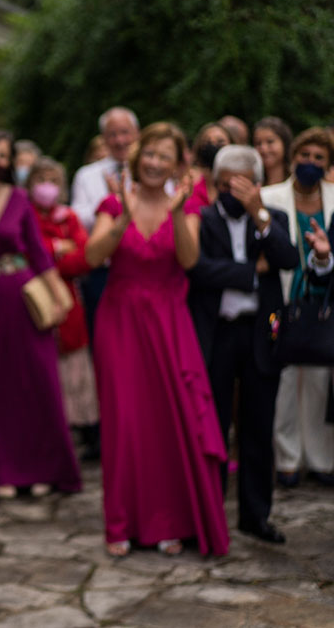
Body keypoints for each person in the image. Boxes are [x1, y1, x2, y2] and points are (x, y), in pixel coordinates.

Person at [86, 122, 229, 557]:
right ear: (137, 156)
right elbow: (92, 257)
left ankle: (168, 522)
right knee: (125, 421)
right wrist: (125, 219)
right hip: (122, 321)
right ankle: (122, 524)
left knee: (169, 420)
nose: (153, 162)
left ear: (178, 163)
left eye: (164, 156)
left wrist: (178, 209)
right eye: (149, 153)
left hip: (169, 321)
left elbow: (188, 261)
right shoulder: (113, 202)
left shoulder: (188, 207)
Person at [188, 145, 298, 544]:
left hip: (259, 332)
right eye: (224, 186)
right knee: (214, 428)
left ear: (255, 184)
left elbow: (288, 258)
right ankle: (210, 515)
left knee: (257, 427)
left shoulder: (272, 217)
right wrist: (252, 272)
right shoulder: (199, 219)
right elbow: (199, 269)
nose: (231, 194)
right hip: (217, 333)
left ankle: (256, 515)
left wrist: (259, 214)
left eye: (240, 186)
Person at [0, 130, 80, 499]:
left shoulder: (19, 197)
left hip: (23, 298)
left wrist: (59, 296)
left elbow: (38, 251)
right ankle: (2, 471)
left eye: (3, 155)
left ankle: (44, 469)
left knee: (38, 383)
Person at [260, 127, 334, 487]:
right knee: (284, 380)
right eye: (305, 156)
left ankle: (321, 459)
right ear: (293, 158)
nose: (310, 163)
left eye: (319, 158)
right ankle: (287, 459)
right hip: (281, 302)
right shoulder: (268, 196)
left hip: (324, 302)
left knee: (320, 379)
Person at [27, 157, 98, 460]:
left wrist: (53, 256)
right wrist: (58, 248)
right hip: (36, 302)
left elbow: (84, 258)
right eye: (41, 179)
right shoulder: (26, 214)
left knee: (77, 372)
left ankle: (87, 436)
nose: (47, 186)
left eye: (53, 180)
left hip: (69, 305)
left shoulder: (68, 216)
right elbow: (30, 254)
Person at [71, 107, 140, 339]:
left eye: (125, 132)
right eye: (112, 134)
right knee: (105, 340)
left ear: (137, 133)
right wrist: (110, 204)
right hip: (102, 271)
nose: (120, 140)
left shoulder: (150, 172)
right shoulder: (86, 175)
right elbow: (78, 220)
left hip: (142, 269)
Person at [253, 116, 293, 186]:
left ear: (284, 143)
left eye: (270, 142)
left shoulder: (296, 182)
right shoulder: (252, 183)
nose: (263, 148)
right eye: (258, 143)